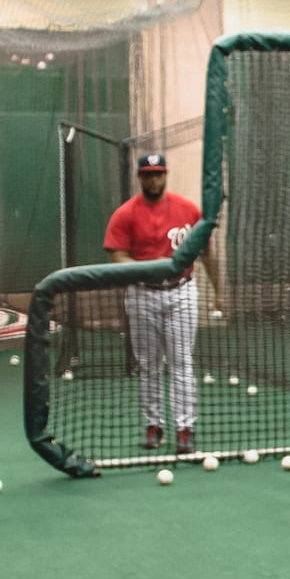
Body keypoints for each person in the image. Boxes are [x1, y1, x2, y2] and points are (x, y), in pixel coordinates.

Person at [104, 152, 202, 455]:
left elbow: (206, 249)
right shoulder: (125, 214)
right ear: (139, 177)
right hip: (142, 294)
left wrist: (221, 293)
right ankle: (154, 425)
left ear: (165, 174)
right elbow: (116, 254)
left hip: (182, 291)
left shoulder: (187, 209)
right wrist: (147, 269)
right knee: (148, 365)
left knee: (182, 362)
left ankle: (185, 429)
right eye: (148, 174)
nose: (154, 179)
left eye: (158, 173)